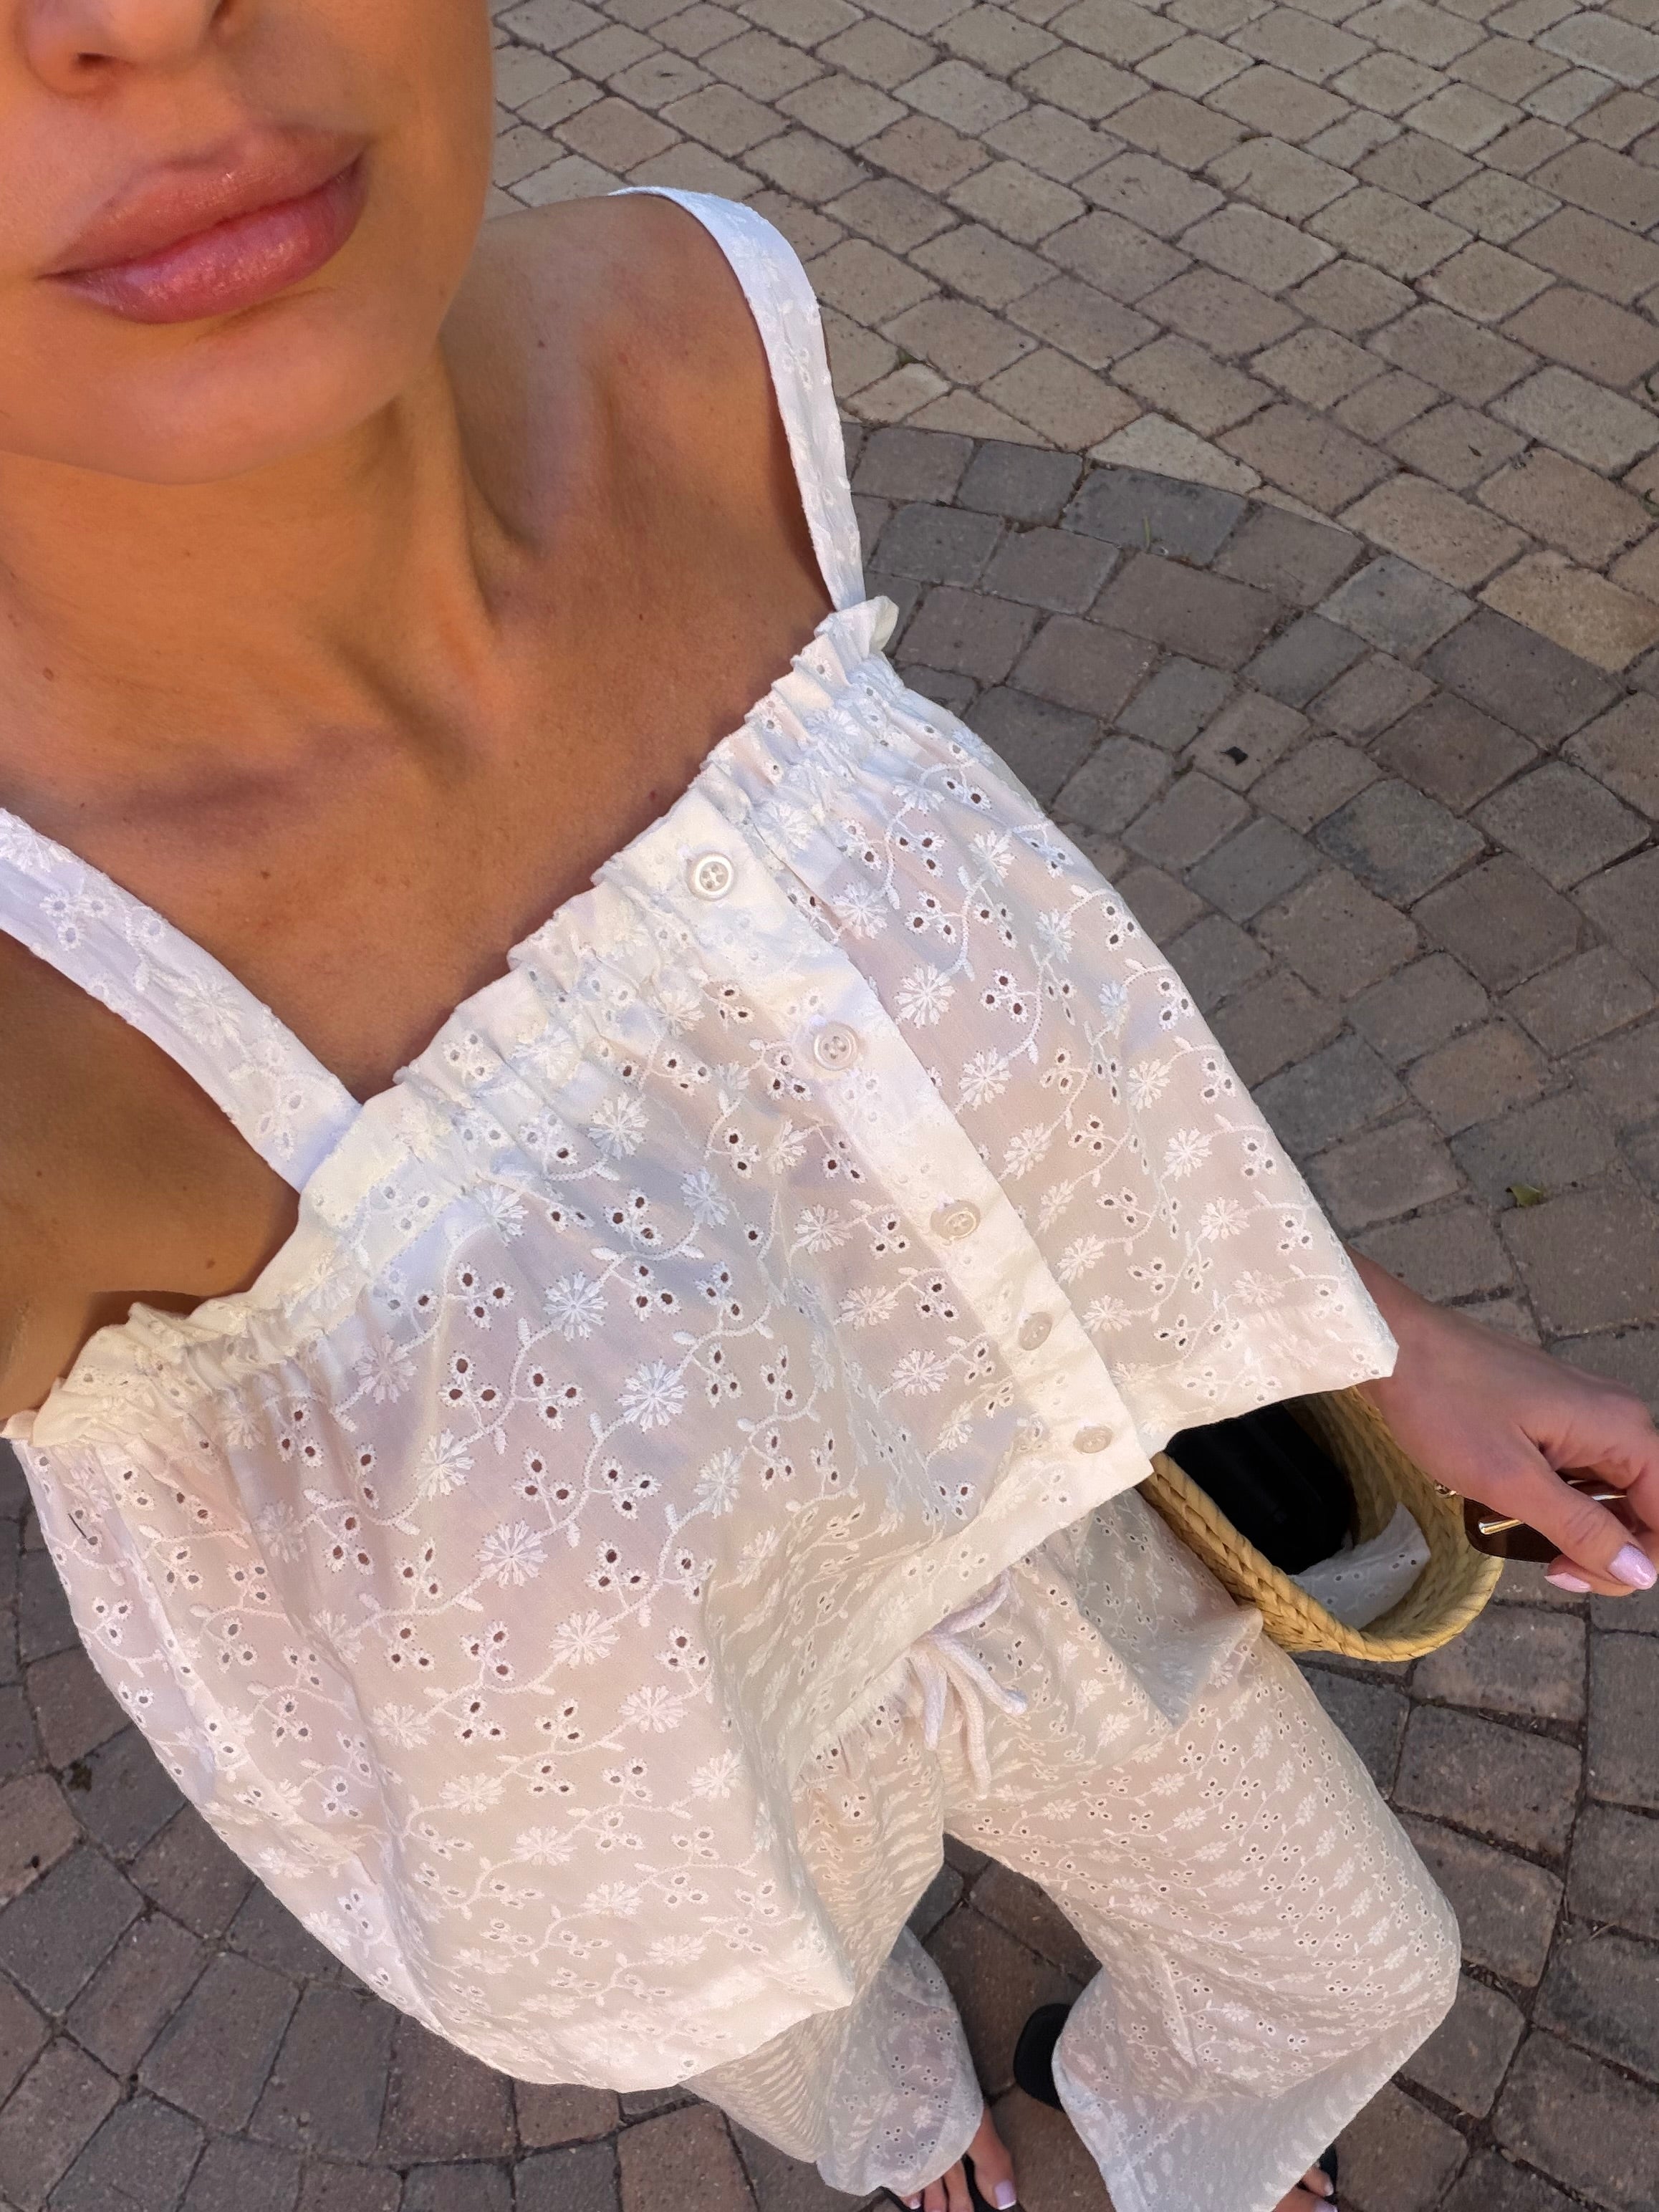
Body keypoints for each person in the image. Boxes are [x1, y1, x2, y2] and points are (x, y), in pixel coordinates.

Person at [0, 6, 1653, 2208]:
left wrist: (1348, 1338)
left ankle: (1178, 2135)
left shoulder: (682, 331)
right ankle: (899, 2129)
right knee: (798, 2030)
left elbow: (887, 1062)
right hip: (648, 1785)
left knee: (1351, 1977)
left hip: (1037, 1542)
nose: (136, 13)